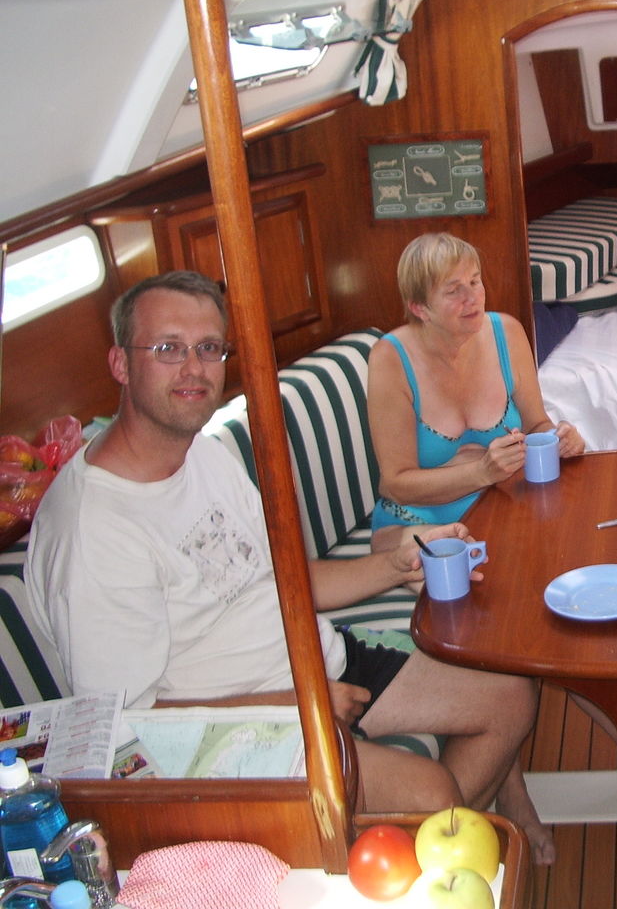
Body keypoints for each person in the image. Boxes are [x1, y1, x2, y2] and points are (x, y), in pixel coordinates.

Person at [24, 272, 550, 856]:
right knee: (433, 796)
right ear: (121, 363)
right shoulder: (95, 531)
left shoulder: (203, 455)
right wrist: (302, 704)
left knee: (509, 695)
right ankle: (415, 850)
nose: (194, 368)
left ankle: (422, 849)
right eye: (168, 348)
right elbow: (126, 724)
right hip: (228, 731)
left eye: (209, 348)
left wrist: (401, 563)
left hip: (312, 661)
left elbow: (289, 582)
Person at [366, 232, 585, 553]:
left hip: (497, 508)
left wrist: (560, 440)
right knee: (464, 561)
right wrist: (482, 472)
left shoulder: (507, 332)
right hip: (416, 522)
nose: (472, 297)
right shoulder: (391, 358)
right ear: (420, 308)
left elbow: (536, 424)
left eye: (475, 281)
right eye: (453, 290)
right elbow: (395, 484)